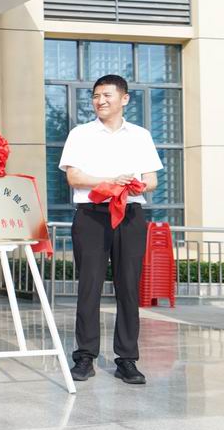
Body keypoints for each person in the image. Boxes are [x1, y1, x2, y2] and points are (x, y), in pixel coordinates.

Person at [59, 74, 162, 385]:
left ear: (124, 98)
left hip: (130, 215)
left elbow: (152, 181)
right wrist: (109, 181)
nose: (100, 101)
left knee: (128, 287)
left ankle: (127, 359)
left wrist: (132, 184)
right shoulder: (80, 134)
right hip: (91, 216)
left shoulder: (141, 136)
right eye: (95, 96)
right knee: (89, 286)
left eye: (106, 95)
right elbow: (74, 178)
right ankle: (84, 357)